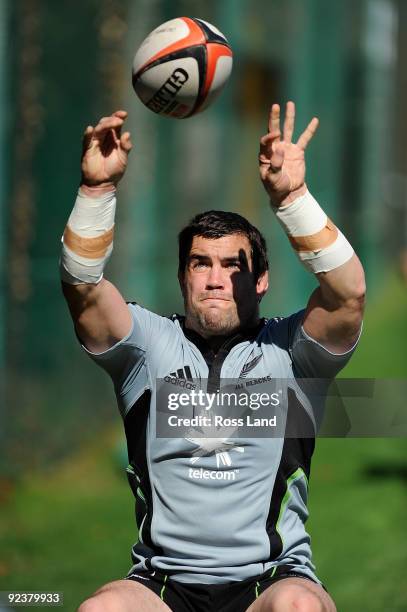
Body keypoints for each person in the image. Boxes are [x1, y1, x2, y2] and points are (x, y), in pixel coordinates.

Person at [61, 102, 365, 612]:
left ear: (261, 280)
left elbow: (348, 294)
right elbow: (83, 290)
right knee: (101, 609)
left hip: (269, 579)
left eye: (233, 264)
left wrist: (292, 199)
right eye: (200, 263)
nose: (216, 277)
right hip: (162, 583)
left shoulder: (293, 352)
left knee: (299, 608)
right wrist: (97, 191)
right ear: (183, 277)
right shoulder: (145, 347)